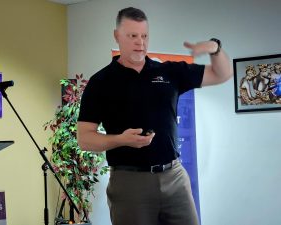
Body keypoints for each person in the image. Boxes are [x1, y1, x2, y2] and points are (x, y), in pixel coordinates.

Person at [77, 7, 232, 225]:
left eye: (144, 36)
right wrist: (121, 140)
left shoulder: (169, 72)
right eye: (132, 36)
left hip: (174, 176)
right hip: (130, 182)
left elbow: (222, 74)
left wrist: (215, 48)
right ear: (117, 36)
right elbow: (85, 138)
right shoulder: (101, 82)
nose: (140, 42)